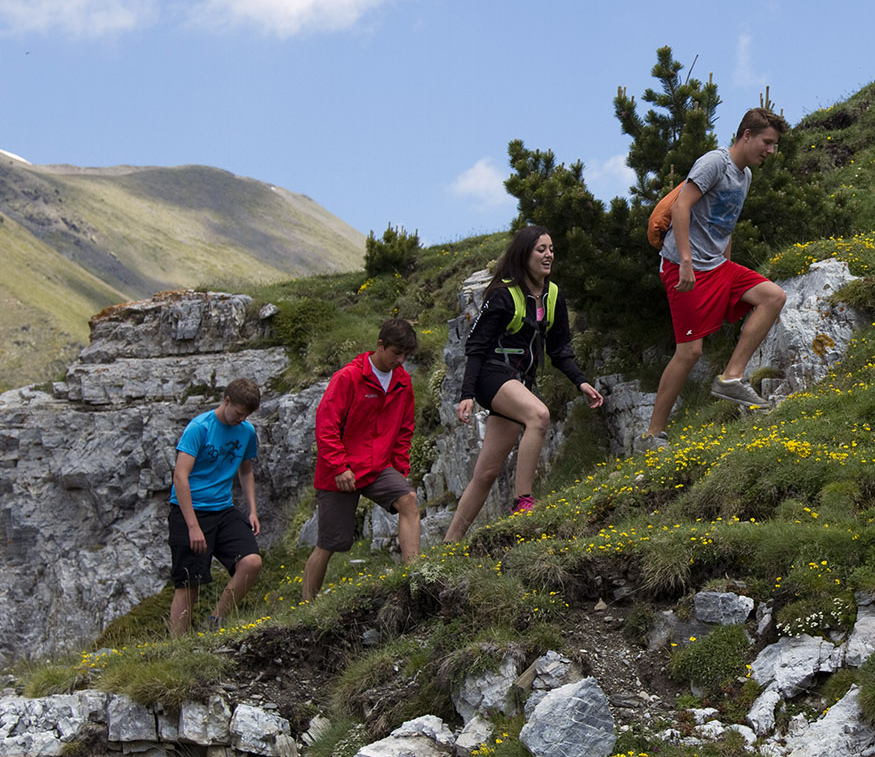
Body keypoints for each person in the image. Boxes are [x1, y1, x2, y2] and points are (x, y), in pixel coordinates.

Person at [640, 106, 790, 451]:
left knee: (773, 297)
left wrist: (727, 267)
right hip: (683, 266)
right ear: (747, 135)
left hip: (717, 265)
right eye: (767, 142)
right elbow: (681, 206)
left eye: (774, 145)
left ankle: (732, 376)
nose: (770, 151)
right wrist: (688, 262)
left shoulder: (745, 176)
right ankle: (653, 435)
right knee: (689, 352)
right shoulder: (715, 163)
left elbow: (726, 225)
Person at [446, 224, 603, 540]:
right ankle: (524, 502)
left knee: (486, 473)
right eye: (540, 249)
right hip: (492, 377)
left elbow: (560, 350)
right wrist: (466, 393)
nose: (548, 255)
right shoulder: (503, 295)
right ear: (524, 254)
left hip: (519, 383)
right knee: (539, 415)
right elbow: (475, 346)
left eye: (551, 249)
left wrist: (581, 382)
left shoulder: (553, 296)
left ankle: (449, 545)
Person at [301, 318, 421, 600]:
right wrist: (340, 467)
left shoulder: (403, 381)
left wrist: (400, 467)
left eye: (406, 355)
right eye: (396, 353)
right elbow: (326, 426)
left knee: (409, 501)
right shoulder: (348, 378)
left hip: (378, 467)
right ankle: (306, 605)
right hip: (339, 471)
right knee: (329, 544)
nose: (400, 360)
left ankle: (415, 577)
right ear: (381, 345)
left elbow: (405, 427)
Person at [168, 378, 264, 636]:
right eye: (239, 413)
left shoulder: (246, 431)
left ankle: (216, 621)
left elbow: (246, 470)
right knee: (188, 583)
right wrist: (193, 527)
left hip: (223, 509)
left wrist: (252, 510)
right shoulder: (199, 428)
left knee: (251, 562)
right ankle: (177, 648)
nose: (241, 419)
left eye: (247, 416)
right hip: (189, 510)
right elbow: (180, 476)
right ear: (227, 400)